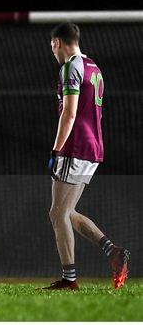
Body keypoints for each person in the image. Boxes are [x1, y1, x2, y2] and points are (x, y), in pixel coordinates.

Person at [43, 23, 129, 290]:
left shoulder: (70, 67)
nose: (52, 52)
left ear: (57, 42)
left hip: (76, 147)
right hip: (94, 147)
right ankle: (112, 250)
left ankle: (69, 280)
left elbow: (69, 113)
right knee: (67, 212)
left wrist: (57, 149)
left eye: (52, 46)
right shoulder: (94, 67)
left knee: (57, 214)